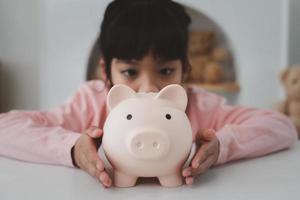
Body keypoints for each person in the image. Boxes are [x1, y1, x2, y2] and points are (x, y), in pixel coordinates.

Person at [0, 0, 297, 188]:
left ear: (186, 71)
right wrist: (72, 149)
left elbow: (281, 126)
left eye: (165, 71)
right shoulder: (90, 101)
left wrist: (223, 146)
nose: (149, 88)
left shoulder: (201, 105)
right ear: (106, 73)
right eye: (130, 72)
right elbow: (5, 128)